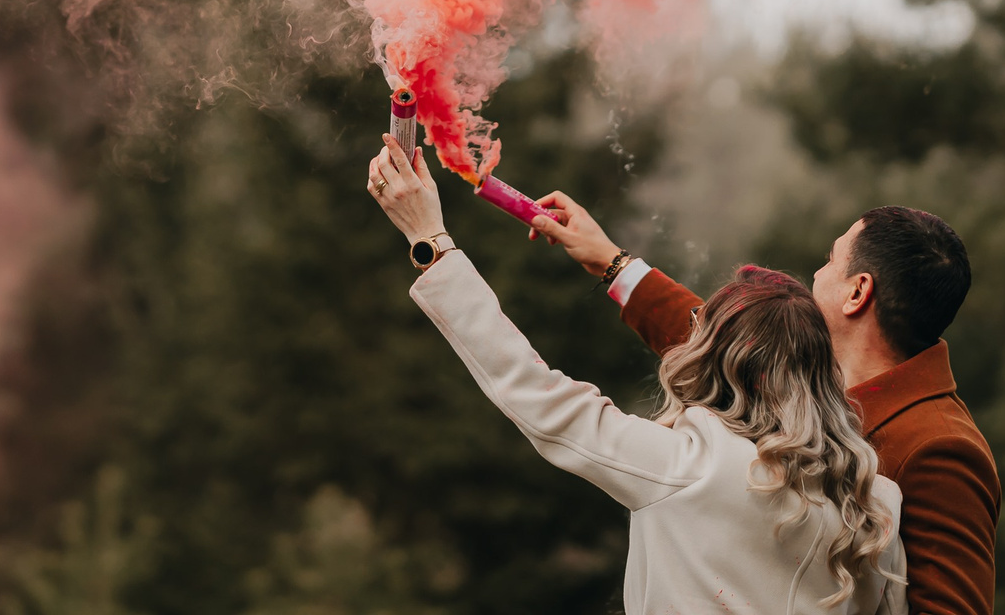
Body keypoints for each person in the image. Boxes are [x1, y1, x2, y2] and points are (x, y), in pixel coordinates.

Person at [366, 139, 907, 614]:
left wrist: (431, 240)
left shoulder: (689, 468)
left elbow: (530, 387)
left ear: (712, 358)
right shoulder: (879, 505)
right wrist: (610, 260)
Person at [529, 192, 999, 615]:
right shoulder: (808, 370)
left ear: (857, 292)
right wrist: (614, 263)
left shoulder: (942, 448)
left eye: (829, 260)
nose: (816, 274)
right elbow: (724, 345)